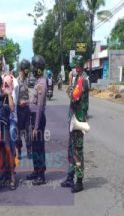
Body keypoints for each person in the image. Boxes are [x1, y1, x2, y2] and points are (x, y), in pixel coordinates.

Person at [61, 55, 89, 193]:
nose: (73, 68)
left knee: (77, 151)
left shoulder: (82, 79)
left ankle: (79, 181)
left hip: (78, 120)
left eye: (75, 66)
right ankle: (70, 177)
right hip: (73, 118)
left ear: (79, 66)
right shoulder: (78, 77)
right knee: (71, 149)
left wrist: (70, 88)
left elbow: (74, 96)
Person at [27, 55, 47, 186]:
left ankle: (41, 175)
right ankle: (36, 170)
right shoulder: (38, 81)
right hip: (33, 118)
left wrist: (35, 127)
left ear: (39, 69)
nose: (33, 70)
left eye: (35, 67)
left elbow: (39, 107)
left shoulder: (42, 84)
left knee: (39, 147)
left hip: (38, 119)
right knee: (34, 147)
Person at [16, 59, 32, 160]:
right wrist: (18, 102)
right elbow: (14, 96)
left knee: (28, 131)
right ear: (22, 69)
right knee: (18, 132)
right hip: (19, 110)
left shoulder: (29, 80)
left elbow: (32, 95)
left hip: (27, 109)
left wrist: (27, 102)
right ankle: (19, 150)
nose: (27, 71)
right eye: (26, 69)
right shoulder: (17, 81)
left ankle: (29, 150)